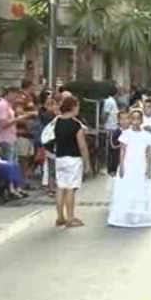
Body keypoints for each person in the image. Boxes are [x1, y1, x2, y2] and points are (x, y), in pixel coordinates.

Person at [107, 108, 151, 228]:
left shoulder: (146, 135)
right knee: (127, 188)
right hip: (129, 164)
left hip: (140, 164)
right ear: (130, 120)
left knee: (140, 188)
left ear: (141, 120)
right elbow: (122, 151)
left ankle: (139, 215)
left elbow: (149, 153)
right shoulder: (126, 134)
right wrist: (122, 166)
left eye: (138, 119)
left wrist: (149, 168)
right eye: (133, 119)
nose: (135, 121)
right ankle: (125, 215)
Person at [54, 96, 92, 228]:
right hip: (73, 158)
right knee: (71, 188)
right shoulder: (76, 125)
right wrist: (87, 163)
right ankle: (70, 218)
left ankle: (60, 217)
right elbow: (82, 146)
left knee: (60, 187)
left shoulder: (57, 121)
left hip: (59, 158)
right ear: (74, 107)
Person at [0, 87, 36, 163]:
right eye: (15, 95)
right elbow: (3, 124)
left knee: (13, 162)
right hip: (5, 139)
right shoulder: (3, 105)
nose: (16, 98)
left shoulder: (8, 105)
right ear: (9, 94)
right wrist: (18, 119)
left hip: (11, 138)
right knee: (8, 163)